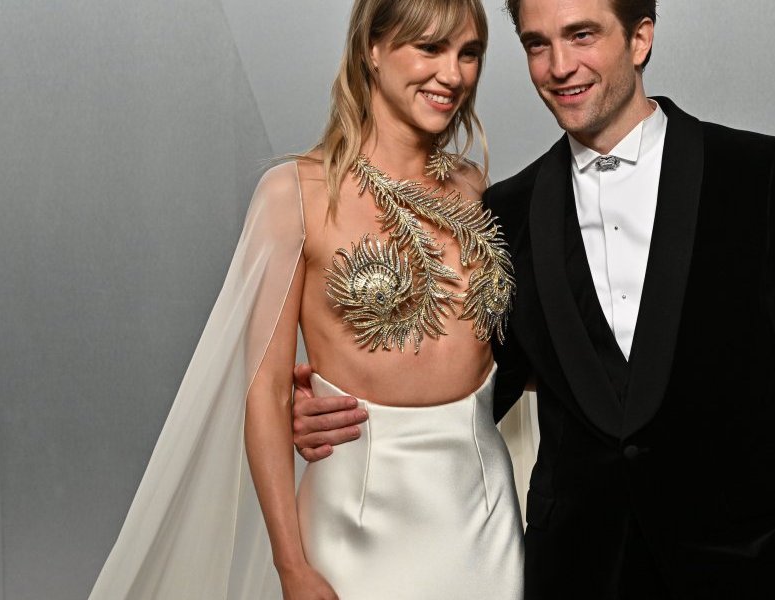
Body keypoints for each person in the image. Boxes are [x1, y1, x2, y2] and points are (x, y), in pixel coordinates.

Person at [291, 0, 775, 598]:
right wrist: (334, 407)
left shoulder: (758, 175)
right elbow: (478, 375)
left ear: (640, 39)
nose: (559, 65)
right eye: (538, 44)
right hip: (572, 571)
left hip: (743, 567)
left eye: (582, 35)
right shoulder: (507, 211)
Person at [90, 1, 524, 599]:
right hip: (358, 521)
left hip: (484, 518)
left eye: (468, 53)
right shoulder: (295, 194)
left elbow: (513, 352)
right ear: (372, 50)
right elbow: (266, 391)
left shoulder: (474, 187)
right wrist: (291, 566)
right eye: (430, 48)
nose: (452, 74)